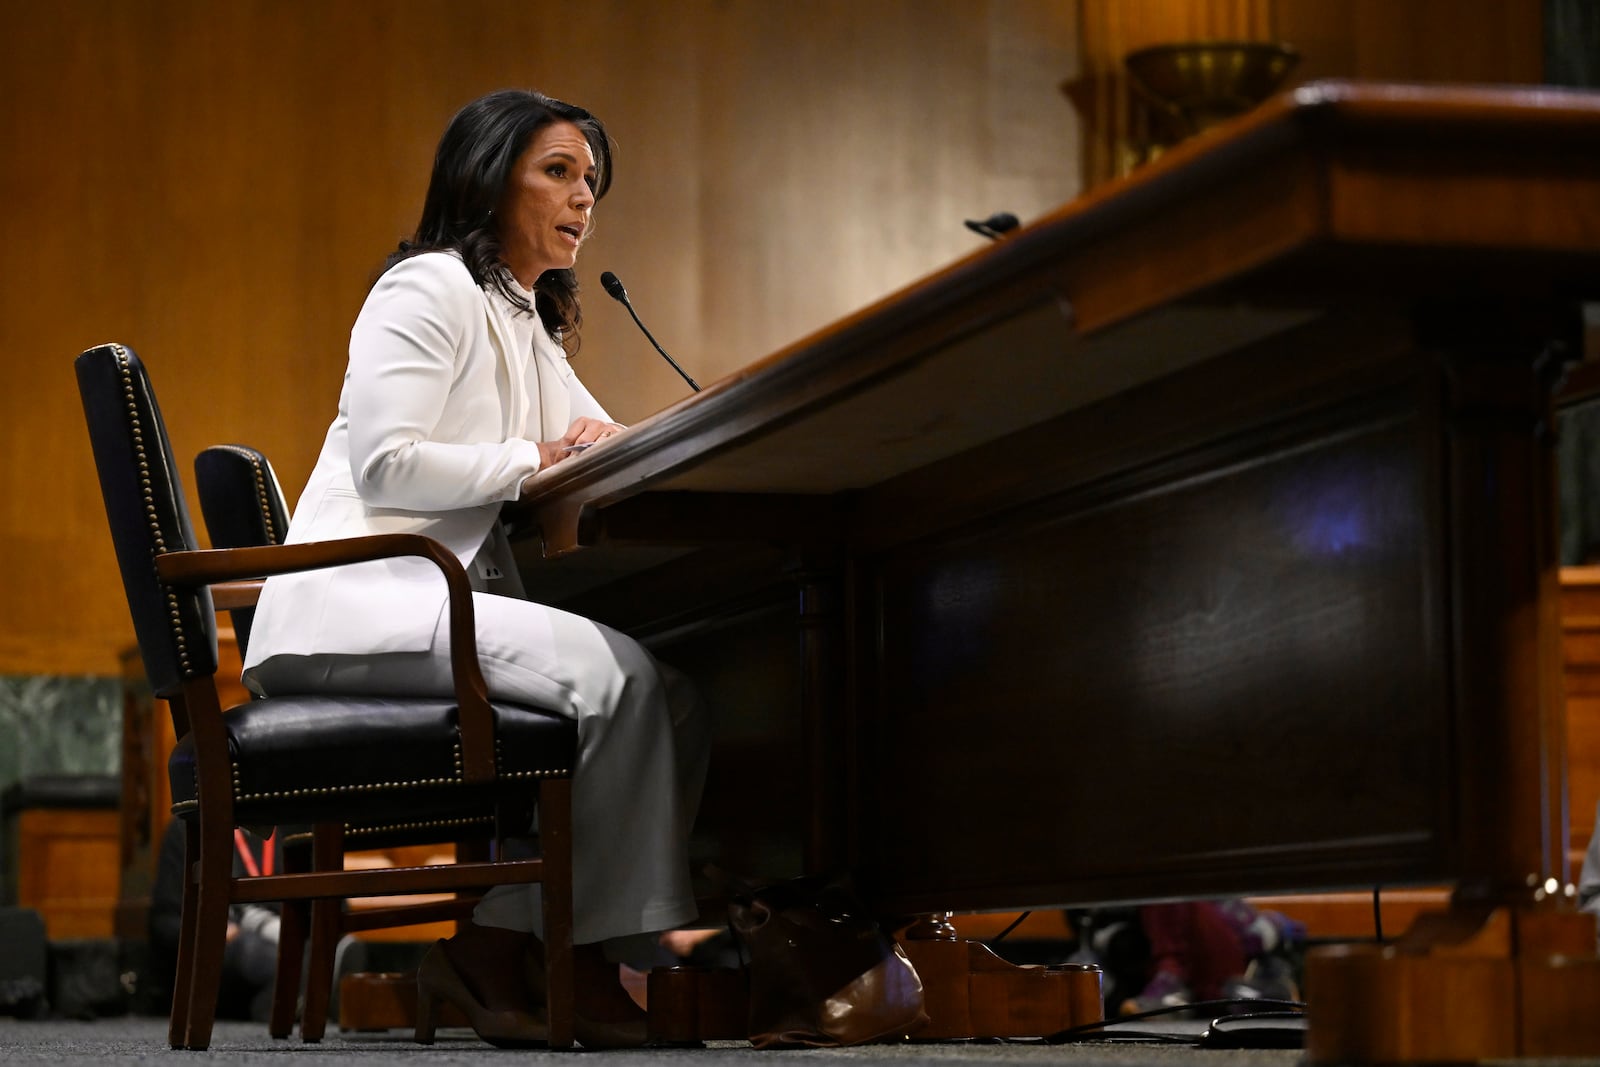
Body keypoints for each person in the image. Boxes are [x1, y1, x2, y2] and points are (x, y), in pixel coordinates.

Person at [239, 88, 711, 1049]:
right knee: (617, 678)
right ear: (489, 177)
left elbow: (599, 435)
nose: (585, 199)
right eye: (560, 172)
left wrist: (592, 437)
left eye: (592, 182)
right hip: (356, 602)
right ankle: (572, 959)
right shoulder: (426, 288)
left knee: (678, 695)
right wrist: (532, 458)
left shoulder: (521, 314)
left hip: (424, 599)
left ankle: (503, 940)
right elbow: (388, 461)